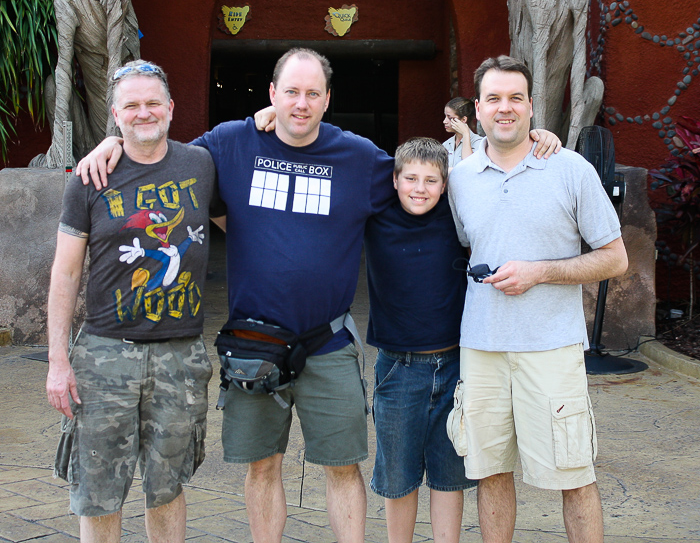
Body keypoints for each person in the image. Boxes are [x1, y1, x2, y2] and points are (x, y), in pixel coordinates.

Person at [76, 48, 561, 542]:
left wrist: (527, 140)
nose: (301, 103)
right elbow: (162, 159)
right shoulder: (232, 142)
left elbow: (429, 181)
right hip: (253, 344)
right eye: (290, 92)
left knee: (343, 467)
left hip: (327, 344)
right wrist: (111, 146)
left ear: (328, 99)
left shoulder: (358, 157)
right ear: (272, 94)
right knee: (262, 469)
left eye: (312, 93)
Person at [448, 55, 629, 543]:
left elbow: (615, 259)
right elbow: (470, 244)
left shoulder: (570, 169)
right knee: (490, 474)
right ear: (477, 111)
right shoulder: (461, 178)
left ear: (531, 106)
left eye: (515, 98)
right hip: (482, 347)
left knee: (574, 476)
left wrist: (540, 272)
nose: (504, 108)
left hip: (550, 348)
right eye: (493, 99)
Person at [46, 60, 223, 543]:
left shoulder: (200, 164)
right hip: (104, 354)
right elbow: (65, 271)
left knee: (167, 488)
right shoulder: (88, 178)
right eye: (131, 106)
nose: (143, 113)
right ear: (116, 115)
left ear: (169, 108)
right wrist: (57, 360)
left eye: (152, 104)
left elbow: (255, 148)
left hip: (180, 354)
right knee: (98, 489)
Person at [364, 137, 476, 543]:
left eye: (431, 180)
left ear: (445, 185)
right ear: (394, 180)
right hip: (398, 367)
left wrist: (540, 137)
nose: (419, 188)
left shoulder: (457, 217)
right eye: (410, 178)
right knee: (398, 477)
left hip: (456, 367)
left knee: (450, 476)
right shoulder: (376, 216)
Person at [442, 96, 481, 169]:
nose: (444, 121)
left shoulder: (479, 143)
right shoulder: (446, 144)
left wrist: (466, 134)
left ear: (463, 119)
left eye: (450, 118)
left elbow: (469, 166)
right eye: (445, 117)